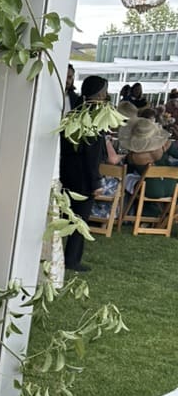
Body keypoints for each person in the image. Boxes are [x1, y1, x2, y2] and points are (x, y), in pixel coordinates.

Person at [59, 75, 109, 272]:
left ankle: (66, 257)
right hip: (83, 177)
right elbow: (91, 155)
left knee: (67, 215)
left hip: (68, 172)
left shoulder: (74, 115)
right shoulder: (91, 120)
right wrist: (96, 182)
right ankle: (71, 259)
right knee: (79, 219)